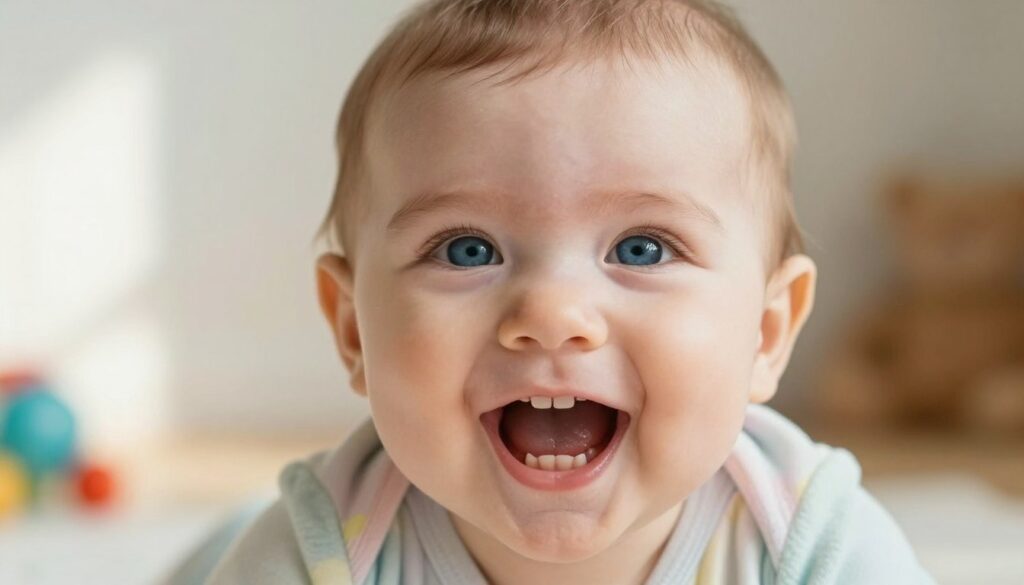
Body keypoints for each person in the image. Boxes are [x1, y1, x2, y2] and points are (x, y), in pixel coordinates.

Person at [187, 1, 936, 583]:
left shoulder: (808, 539)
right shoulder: (325, 549)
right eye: (466, 248)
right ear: (353, 330)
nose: (550, 314)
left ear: (766, 335)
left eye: (641, 249)